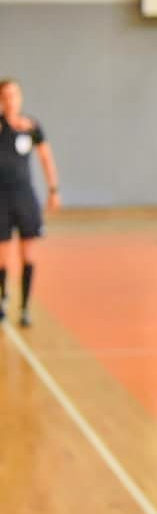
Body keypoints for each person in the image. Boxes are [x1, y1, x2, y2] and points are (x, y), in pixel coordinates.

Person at [0, 78, 60, 327]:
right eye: (5, 96)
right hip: (1, 199)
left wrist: (53, 189)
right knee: (2, 257)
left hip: (24, 198)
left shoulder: (31, 127)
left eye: (14, 95)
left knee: (28, 255)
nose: (10, 100)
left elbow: (46, 157)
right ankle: (3, 298)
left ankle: (24, 307)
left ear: (20, 97)